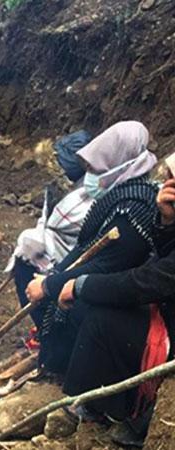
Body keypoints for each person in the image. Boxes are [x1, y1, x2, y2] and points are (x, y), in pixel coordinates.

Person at [22, 121, 159, 374]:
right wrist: (53, 277)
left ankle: (65, 369)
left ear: (119, 162)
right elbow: (87, 248)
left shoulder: (133, 208)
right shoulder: (121, 195)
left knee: (69, 303)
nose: (92, 176)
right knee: (36, 277)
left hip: (115, 296)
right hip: (97, 280)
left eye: (98, 168)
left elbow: (105, 266)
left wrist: (51, 285)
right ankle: (55, 354)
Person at [55, 172, 175, 446]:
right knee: (95, 306)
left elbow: (149, 281)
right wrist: (168, 223)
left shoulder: (132, 208)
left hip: (170, 331)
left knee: (103, 320)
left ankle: (104, 409)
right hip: (167, 311)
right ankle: (105, 404)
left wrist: (81, 285)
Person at [7, 130, 95, 330]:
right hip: (55, 255)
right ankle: (45, 325)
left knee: (26, 268)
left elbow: (55, 227)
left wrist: (30, 241)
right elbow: (45, 220)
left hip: (74, 262)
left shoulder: (89, 196)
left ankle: (50, 326)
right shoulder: (57, 188)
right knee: (25, 260)